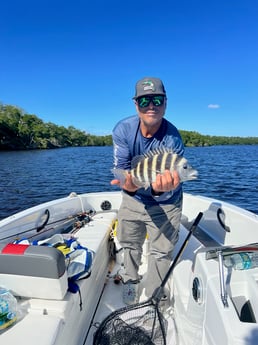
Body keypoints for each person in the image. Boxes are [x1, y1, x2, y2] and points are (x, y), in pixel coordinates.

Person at [111, 77, 184, 305]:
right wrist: (129, 185)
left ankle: (154, 295)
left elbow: (172, 182)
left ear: (165, 103)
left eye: (156, 100)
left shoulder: (173, 139)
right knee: (130, 243)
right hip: (133, 197)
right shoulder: (123, 130)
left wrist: (157, 188)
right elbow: (122, 171)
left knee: (161, 252)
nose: (151, 105)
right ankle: (131, 282)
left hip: (166, 202)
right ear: (136, 105)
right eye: (144, 101)